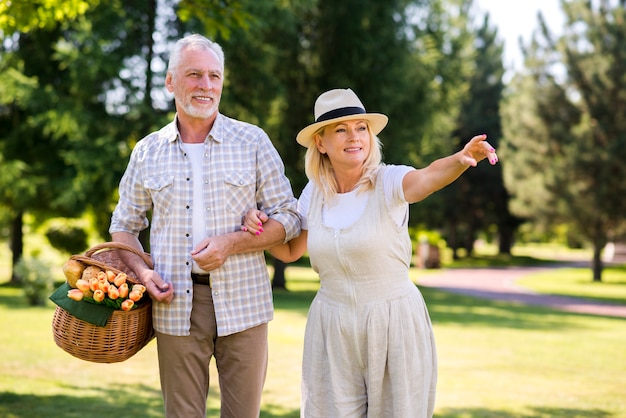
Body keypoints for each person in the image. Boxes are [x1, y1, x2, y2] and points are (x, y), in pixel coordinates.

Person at [242, 88, 498, 417]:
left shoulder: (389, 181)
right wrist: (257, 229)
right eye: (341, 129)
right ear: (321, 143)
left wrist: (460, 160)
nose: (354, 137)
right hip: (331, 326)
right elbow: (291, 250)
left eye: (361, 128)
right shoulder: (313, 193)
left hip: (393, 323)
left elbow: (428, 177)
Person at [109, 34, 300, 418]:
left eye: (214, 76)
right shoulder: (147, 150)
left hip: (245, 301)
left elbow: (290, 218)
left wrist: (232, 243)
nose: (206, 85)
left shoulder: (252, 141)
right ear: (171, 82)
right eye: (194, 75)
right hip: (175, 303)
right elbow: (123, 227)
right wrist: (144, 273)